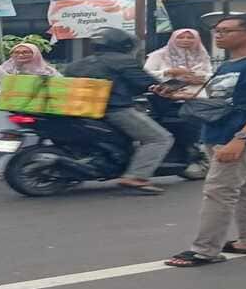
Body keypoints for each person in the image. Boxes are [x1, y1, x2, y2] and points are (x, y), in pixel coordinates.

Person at [163, 14, 246, 267]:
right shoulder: (228, 65)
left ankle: (205, 250)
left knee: (219, 191)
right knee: (243, 188)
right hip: (217, 132)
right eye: (217, 31)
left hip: (239, 136)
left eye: (226, 31)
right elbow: (219, 100)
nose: (219, 35)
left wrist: (241, 137)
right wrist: (178, 95)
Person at [65, 28, 174, 194]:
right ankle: (136, 177)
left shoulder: (78, 64)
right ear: (124, 44)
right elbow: (146, 82)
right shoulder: (123, 60)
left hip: (81, 111)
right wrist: (169, 89)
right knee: (159, 138)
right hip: (113, 109)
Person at [0, 43, 60, 170]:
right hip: (3, 111)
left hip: (34, 110)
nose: (21, 55)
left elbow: (60, 86)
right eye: (17, 52)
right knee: (2, 137)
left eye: (26, 52)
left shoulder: (48, 71)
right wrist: (8, 95)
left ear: (35, 54)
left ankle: (29, 167)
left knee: (32, 136)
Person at [143, 28, 212, 98]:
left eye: (190, 38)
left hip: (197, 96)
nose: (185, 40)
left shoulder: (202, 55)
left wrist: (201, 78)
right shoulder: (158, 55)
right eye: (180, 37)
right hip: (165, 95)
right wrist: (169, 72)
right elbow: (145, 75)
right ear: (173, 39)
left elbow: (210, 74)